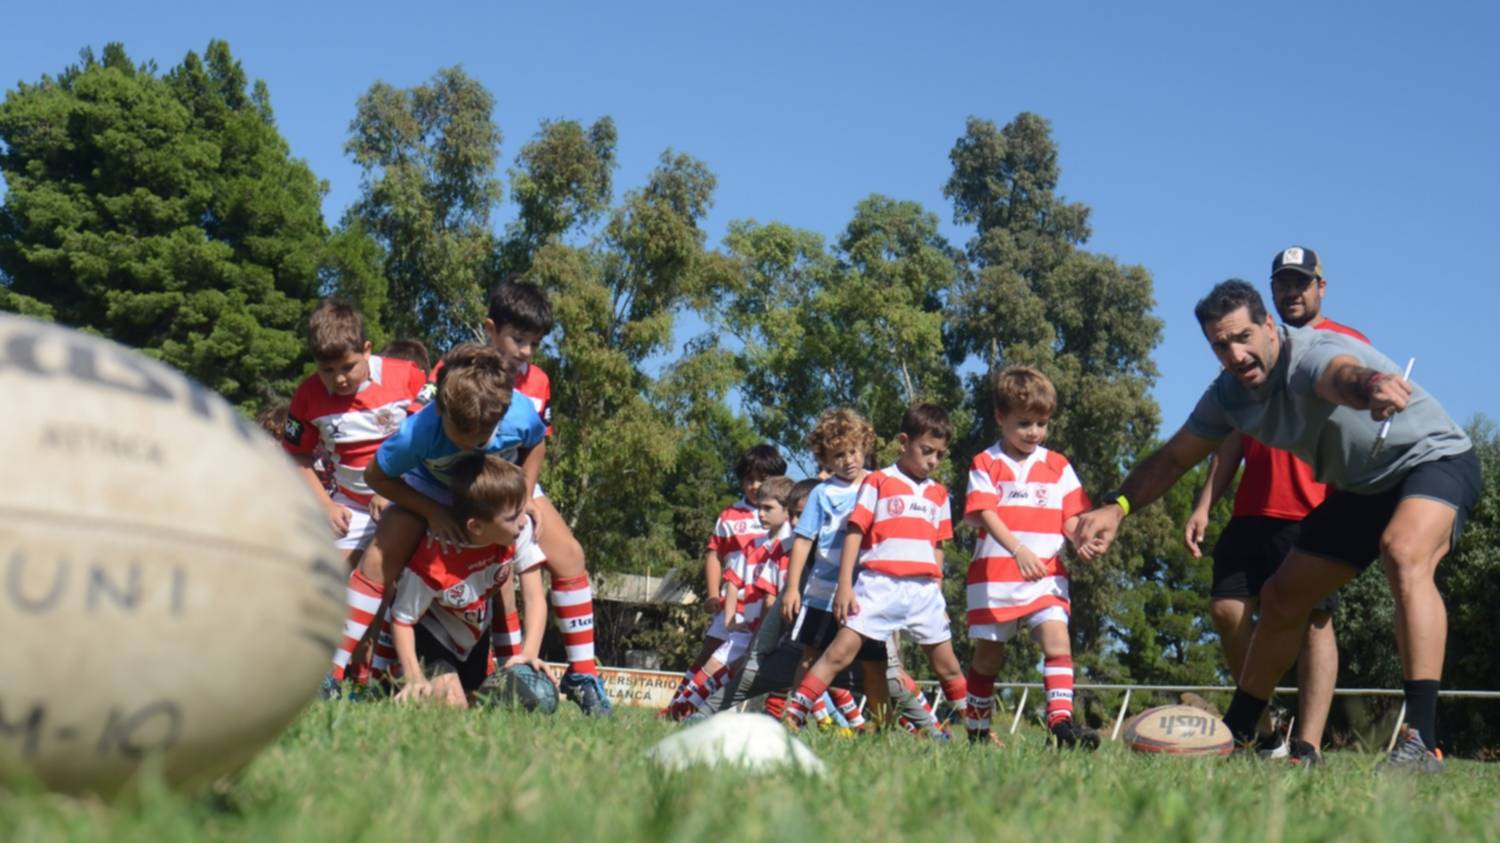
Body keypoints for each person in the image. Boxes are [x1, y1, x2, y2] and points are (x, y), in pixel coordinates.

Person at [1073, 280, 1479, 772]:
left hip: (1433, 457)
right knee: (1283, 594)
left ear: (1270, 326)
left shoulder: (1306, 356)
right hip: (1364, 483)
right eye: (1221, 345)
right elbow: (1173, 458)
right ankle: (1242, 735)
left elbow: (1341, 375)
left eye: (1243, 336)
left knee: (1403, 551)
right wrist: (1116, 506)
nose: (1236, 354)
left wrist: (1370, 387)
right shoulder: (1228, 396)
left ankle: (1422, 742)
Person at [1183, 246, 1368, 764]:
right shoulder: (1252, 353)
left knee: (1313, 624)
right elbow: (1230, 435)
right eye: (1283, 283)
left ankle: (1306, 747)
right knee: (1226, 610)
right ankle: (1262, 732)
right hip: (1252, 510)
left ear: (1320, 287)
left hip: (1316, 510)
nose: (1293, 291)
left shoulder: (1347, 344)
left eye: (1302, 282)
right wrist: (1203, 503)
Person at [326, 344, 534, 686]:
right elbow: (376, 477)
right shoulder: (419, 432)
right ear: (441, 411)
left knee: (563, 555)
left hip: (493, 490)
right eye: (458, 437)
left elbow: (536, 442)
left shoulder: (519, 415)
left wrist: (526, 494)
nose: (467, 447)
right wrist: (431, 512)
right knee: (380, 555)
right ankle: (331, 670)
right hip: (430, 488)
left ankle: (520, 676)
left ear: (500, 417)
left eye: (479, 439)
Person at [781, 404, 968, 730]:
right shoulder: (877, 483)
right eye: (927, 452)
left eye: (939, 455)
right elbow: (853, 533)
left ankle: (978, 728)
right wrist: (843, 585)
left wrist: (938, 595)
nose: (933, 461)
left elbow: (938, 546)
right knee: (835, 654)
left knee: (943, 666)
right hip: (874, 586)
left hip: (922, 592)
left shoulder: (939, 494)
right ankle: (790, 717)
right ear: (903, 442)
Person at [478, 280, 609, 715]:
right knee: (498, 582)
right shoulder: (458, 367)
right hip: (465, 484)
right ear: (490, 330)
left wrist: (526, 494)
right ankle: (502, 669)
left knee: (570, 555)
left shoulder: (539, 382)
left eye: (535, 343)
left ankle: (583, 673)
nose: (527, 352)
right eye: (518, 339)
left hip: (517, 483)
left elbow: (537, 444)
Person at [962, 366, 1098, 749]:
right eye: (1024, 423)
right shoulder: (985, 463)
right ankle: (976, 733)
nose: (1034, 432)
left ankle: (1061, 726)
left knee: (1057, 641)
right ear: (1000, 417)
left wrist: (1080, 538)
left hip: (1045, 575)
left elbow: (1070, 517)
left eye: (1042, 423)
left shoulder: (1058, 466)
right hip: (995, 577)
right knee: (988, 659)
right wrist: (1018, 550)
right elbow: (985, 512)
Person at [389, 454, 549, 707]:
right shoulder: (434, 560)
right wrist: (414, 677)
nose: (523, 521)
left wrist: (529, 653)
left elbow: (534, 598)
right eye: (511, 517)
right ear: (476, 527)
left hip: (473, 640)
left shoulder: (520, 529)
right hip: (431, 639)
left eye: (522, 510)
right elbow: (401, 620)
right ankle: (396, 681)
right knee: (455, 707)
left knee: (494, 709)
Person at [283, 299, 427, 568]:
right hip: (352, 506)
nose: (339, 379)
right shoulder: (307, 396)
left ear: (367, 350)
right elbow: (297, 455)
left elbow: (430, 438)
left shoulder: (407, 376)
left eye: (347, 367)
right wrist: (326, 505)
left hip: (411, 498)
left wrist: (394, 489)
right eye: (327, 370)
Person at [780, 408, 889, 725]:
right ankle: (794, 718)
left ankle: (881, 728)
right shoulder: (821, 494)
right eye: (838, 455)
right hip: (822, 592)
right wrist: (791, 588)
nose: (848, 460)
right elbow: (803, 540)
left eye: (853, 451)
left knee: (874, 664)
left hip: (867, 593)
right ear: (825, 459)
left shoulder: (879, 485)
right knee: (811, 656)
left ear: (865, 447)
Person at [665, 444, 786, 712]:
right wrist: (711, 594)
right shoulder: (730, 516)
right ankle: (678, 706)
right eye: (749, 479)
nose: (755, 485)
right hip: (734, 603)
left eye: (762, 479)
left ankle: (781, 714)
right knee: (709, 655)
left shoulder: (784, 517)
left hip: (766, 604)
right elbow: (714, 555)